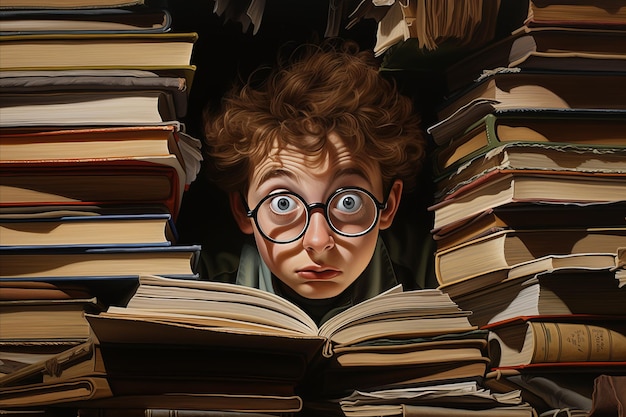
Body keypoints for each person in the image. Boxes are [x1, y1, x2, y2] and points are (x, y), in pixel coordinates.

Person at [202, 39, 427, 325]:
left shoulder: (435, 280)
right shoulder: (202, 285)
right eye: (282, 203)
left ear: (388, 206)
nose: (318, 242)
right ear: (242, 210)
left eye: (349, 201)